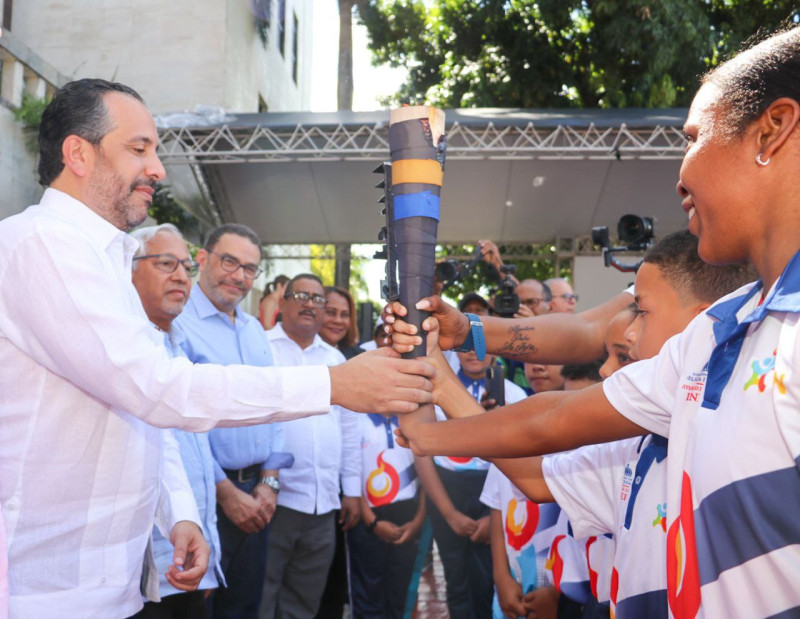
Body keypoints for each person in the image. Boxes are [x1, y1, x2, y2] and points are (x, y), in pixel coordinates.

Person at [0, 78, 433, 617]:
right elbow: (157, 390)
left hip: (111, 583)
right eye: (139, 149)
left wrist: (178, 514)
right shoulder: (42, 245)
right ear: (77, 153)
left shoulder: (103, 259)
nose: (157, 169)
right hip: (46, 591)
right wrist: (335, 384)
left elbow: (140, 420)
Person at [174, 223, 293, 619]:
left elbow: (275, 405)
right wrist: (226, 493)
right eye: (230, 262)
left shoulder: (254, 328)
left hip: (258, 495)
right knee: (197, 609)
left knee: (244, 608)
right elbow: (177, 422)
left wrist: (269, 482)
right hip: (206, 498)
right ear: (202, 259)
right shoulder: (178, 325)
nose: (240, 277)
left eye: (250, 268)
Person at [415, 293, 528, 619]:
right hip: (447, 491)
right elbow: (423, 452)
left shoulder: (516, 395)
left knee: (491, 580)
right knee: (457, 583)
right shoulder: (437, 390)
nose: (471, 354)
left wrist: (490, 518)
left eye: (476, 344)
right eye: (462, 346)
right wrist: (448, 513)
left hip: (495, 494)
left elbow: (518, 462)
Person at [129, 223, 221, 617]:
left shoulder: (183, 345)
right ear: (127, 269)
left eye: (186, 266)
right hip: (143, 566)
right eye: (167, 263)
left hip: (190, 550)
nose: (182, 276)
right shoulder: (122, 347)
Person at [260, 274, 361, 619]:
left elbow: (349, 430)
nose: (309, 304)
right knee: (261, 596)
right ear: (283, 302)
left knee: (303, 604)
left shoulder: (336, 360)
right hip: (273, 501)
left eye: (317, 299)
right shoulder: (260, 349)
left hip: (323, 505)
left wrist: (353, 491)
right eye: (301, 295)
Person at [315, 285, 365, 619]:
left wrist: (352, 490)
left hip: (339, 492)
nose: (338, 320)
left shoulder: (356, 359)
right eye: (331, 311)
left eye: (345, 314)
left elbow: (351, 433)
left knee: (334, 582)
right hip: (302, 495)